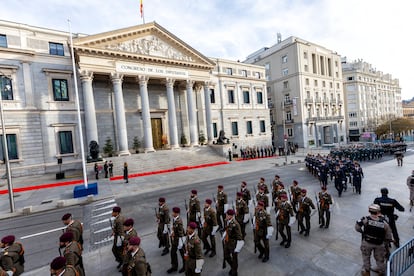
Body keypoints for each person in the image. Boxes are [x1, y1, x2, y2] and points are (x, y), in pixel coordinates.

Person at [355, 204, 392, 276]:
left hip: (367, 242)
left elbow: (357, 227)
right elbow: (388, 235)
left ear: (369, 211)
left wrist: (362, 232)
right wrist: (386, 242)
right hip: (379, 244)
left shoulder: (366, 219)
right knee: (380, 258)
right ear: (378, 212)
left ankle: (367, 272)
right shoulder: (384, 222)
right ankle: (381, 271)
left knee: (366, 257)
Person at [223, 209, 244, 276]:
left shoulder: (236, 224)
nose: (226, 215)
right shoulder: (226, 221)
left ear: (231, 216)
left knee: (234, 258)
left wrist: (238, 247)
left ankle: (235, 271)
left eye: (227, 215)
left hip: (233, 243)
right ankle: (233, 267)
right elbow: (227, 229)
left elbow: (239, 237)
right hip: (227, 242)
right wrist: (224, 235)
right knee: (226, 256)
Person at [167, 207, 186, 274]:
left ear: (177, 213)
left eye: (173, 212)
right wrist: (173, 232)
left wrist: (181, 243)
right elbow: (175, 228)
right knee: (173, 253)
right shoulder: (174, 219)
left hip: (179, 240)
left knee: (183, 254)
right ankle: (174, 267)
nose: (172, 213)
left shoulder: (179, 221)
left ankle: (185, 266)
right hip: (175, 240)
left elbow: (181, 232)